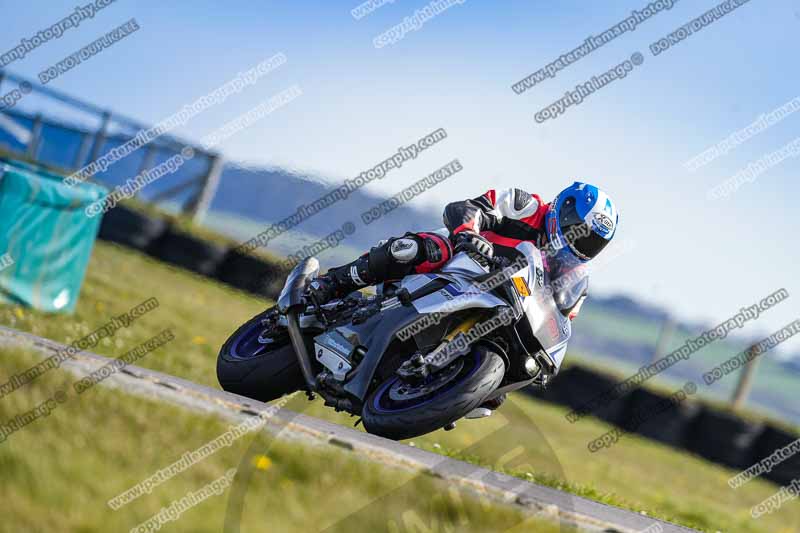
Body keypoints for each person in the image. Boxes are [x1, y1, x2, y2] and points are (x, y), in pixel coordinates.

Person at [307, 181, 619, 412]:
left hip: (501, 307)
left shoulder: (573, 276)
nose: (581, 242)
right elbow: (463, 208)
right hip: (460, 262)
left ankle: (438, 384)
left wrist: (542, 361)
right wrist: (469, 233)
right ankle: (331, 284)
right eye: (579, 229)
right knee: (418, 248)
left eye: (592, 242)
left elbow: (561, 319)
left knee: (494, 396)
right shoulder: (526, 206)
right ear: (563, 210)